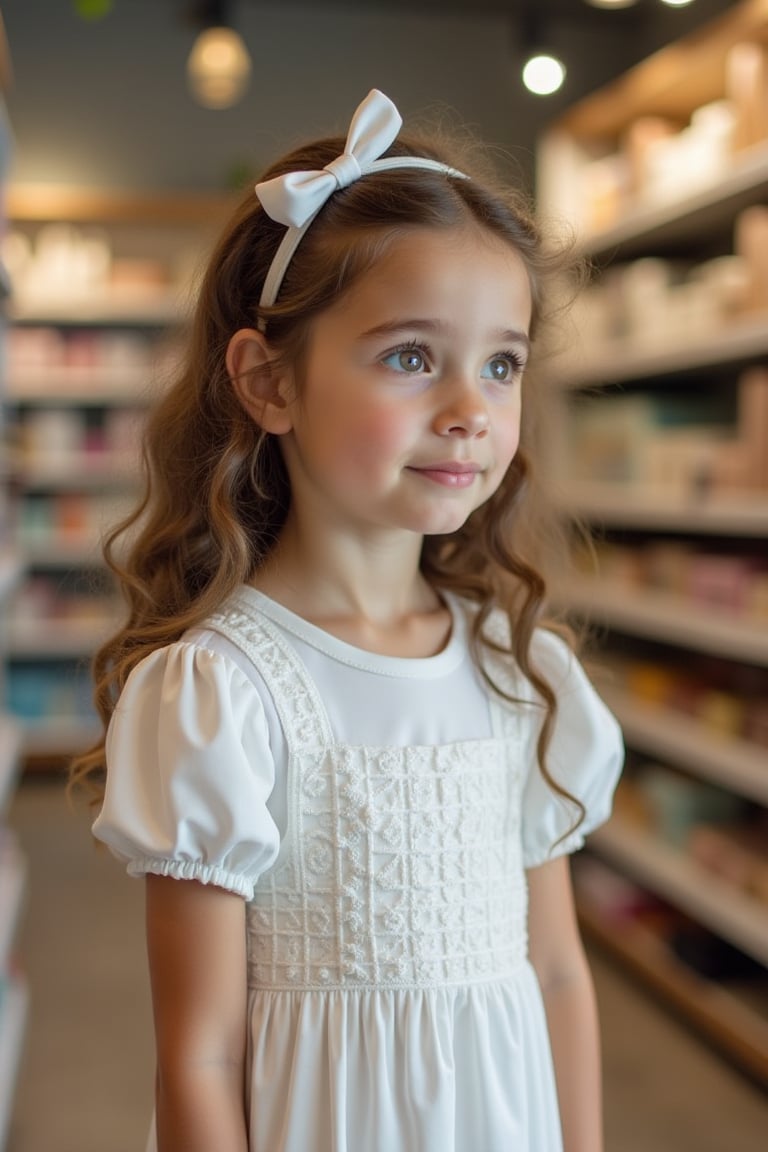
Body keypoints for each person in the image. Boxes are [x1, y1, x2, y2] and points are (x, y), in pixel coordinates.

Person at [73, 88, 623, 1152]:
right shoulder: (223, 692)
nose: (470, 406)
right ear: (269, 380)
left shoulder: (524, 672)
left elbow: (556, 971)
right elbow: (198, 1055)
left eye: (501, 362)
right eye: (413, 356)